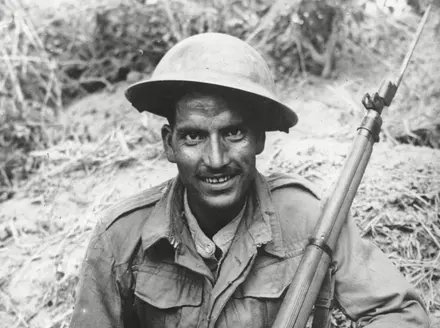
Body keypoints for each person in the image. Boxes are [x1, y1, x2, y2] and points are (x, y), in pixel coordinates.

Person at [69, 33, 429, 328]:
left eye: (234, 133)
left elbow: (400, 314)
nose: (215, 159)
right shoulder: (122, 237)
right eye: (193, 136)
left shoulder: (307, 218)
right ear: (169, 144)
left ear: (259, 138)